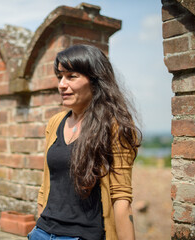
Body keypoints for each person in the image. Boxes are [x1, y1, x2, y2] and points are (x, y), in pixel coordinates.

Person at [27, 44, 141, 240]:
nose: (62, 84)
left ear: (96, 81)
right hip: (42, 233)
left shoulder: (113, 126)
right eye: (60, 77)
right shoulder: (55, 123)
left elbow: (121, 199)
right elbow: (47, 185)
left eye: (71, 76)